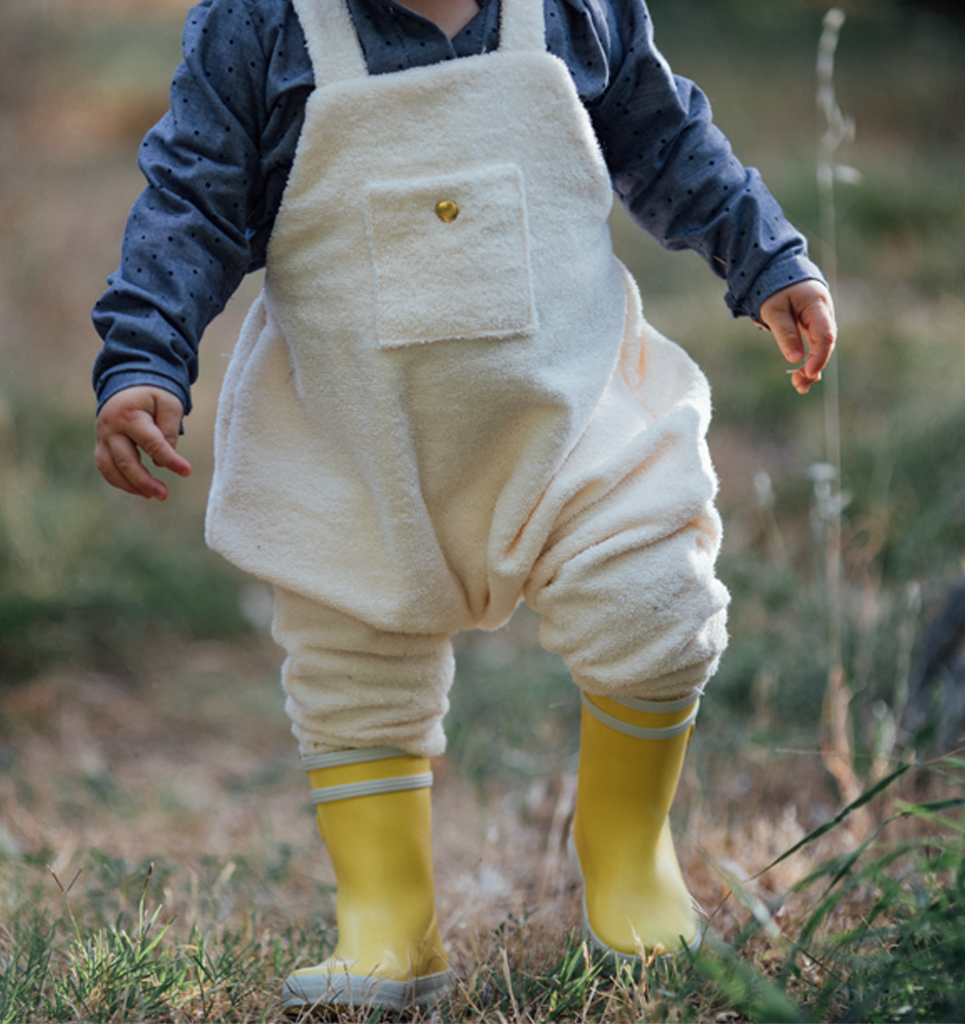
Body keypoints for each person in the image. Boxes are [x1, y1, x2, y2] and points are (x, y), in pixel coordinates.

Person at [92, 0, 836, 1010]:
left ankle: (626, 860)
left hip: (567, 421)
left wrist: (765, 256)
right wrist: (145, 357)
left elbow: (665, 141)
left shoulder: (579, 11)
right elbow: (192, 198)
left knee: (653, 595)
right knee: (351, 667)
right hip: (356, 444)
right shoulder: (261, 26)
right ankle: (388, 915)